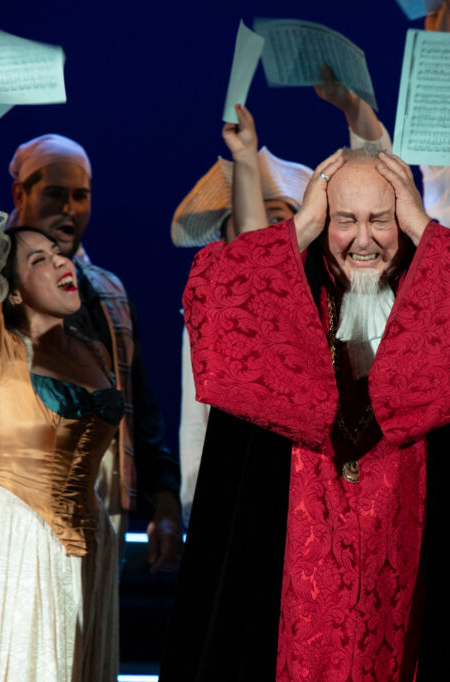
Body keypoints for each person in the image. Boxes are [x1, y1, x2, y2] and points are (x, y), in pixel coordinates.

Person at [162, 146, 450, 681]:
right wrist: (303, 223)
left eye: (381, 220)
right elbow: (211, 288)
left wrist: (423, 225)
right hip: (291, 565)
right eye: (345, 220)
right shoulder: (284, 304)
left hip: (408, 557)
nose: (364, 240)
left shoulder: (437, 305)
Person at [0, 58, 182, 571]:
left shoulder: (107, 291)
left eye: (81, 196)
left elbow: (141, 405)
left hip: (93, 502)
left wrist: (165, 500)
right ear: (20, 193)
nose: (69, 208)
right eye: (55, 194)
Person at [0, 74, 121, 680]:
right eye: (38, 259)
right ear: (9, 288)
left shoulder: (91, 347)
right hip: (13, 539)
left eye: (58, 256)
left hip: (86, 544)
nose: (59, 261)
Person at [171, 104, 309, 521]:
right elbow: (195, 421)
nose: (269, 233)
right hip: (235, 481)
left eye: (280, 219)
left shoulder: (321, 301)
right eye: (254, 216)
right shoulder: (210, 314)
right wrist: (193, 501)